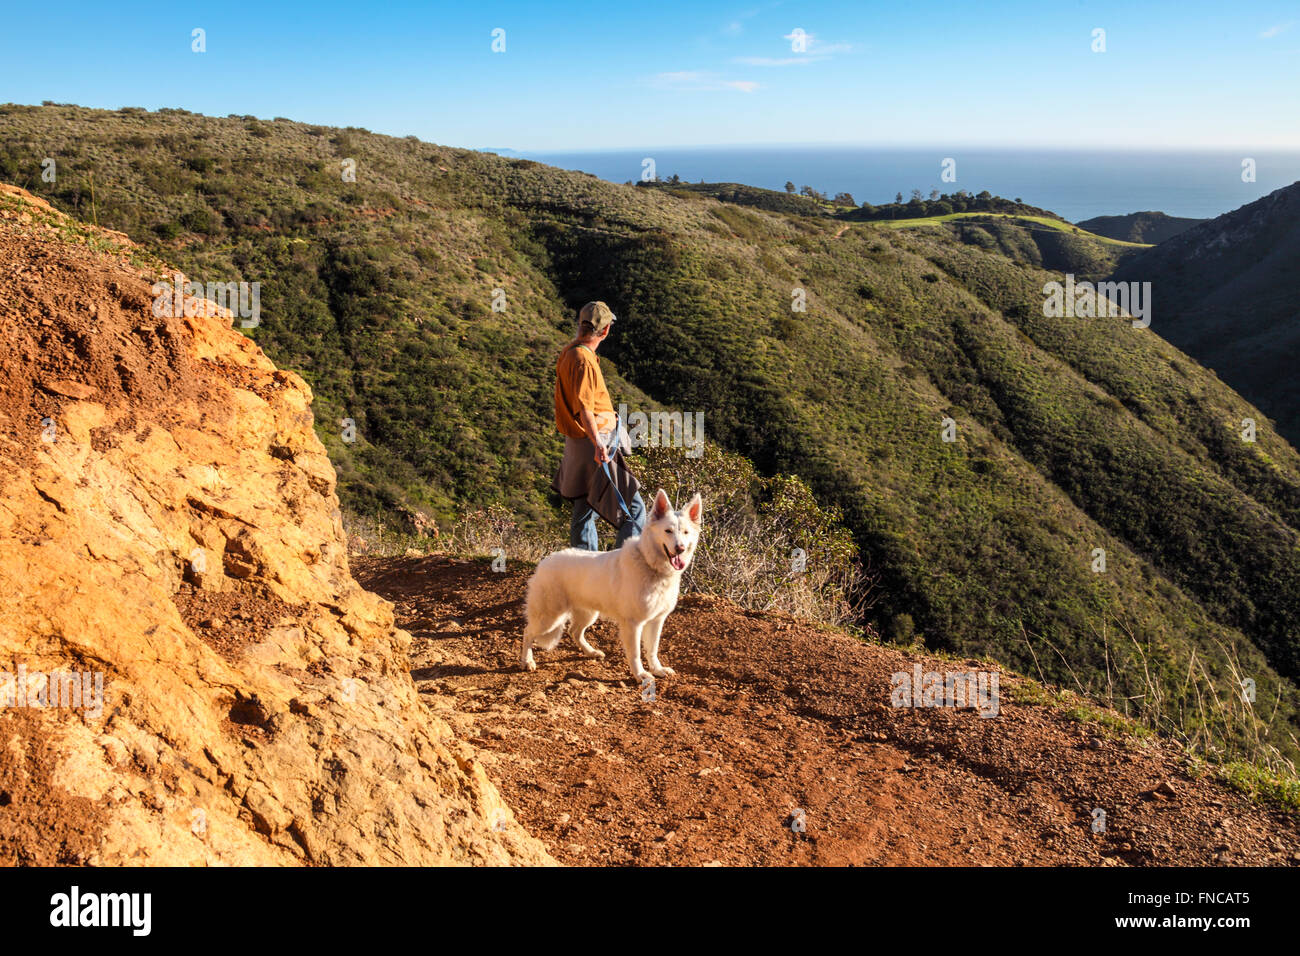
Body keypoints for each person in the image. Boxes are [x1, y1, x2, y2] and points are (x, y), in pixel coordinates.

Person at [551, 301, 646, 550]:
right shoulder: (583, 359)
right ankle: (620, 571)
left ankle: (586, 572)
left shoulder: (571, 352)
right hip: (595, 443)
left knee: (584, 510)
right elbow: (584, 408)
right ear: (605, 331)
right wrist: (598, 444)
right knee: (635, 512)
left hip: (580, 444)